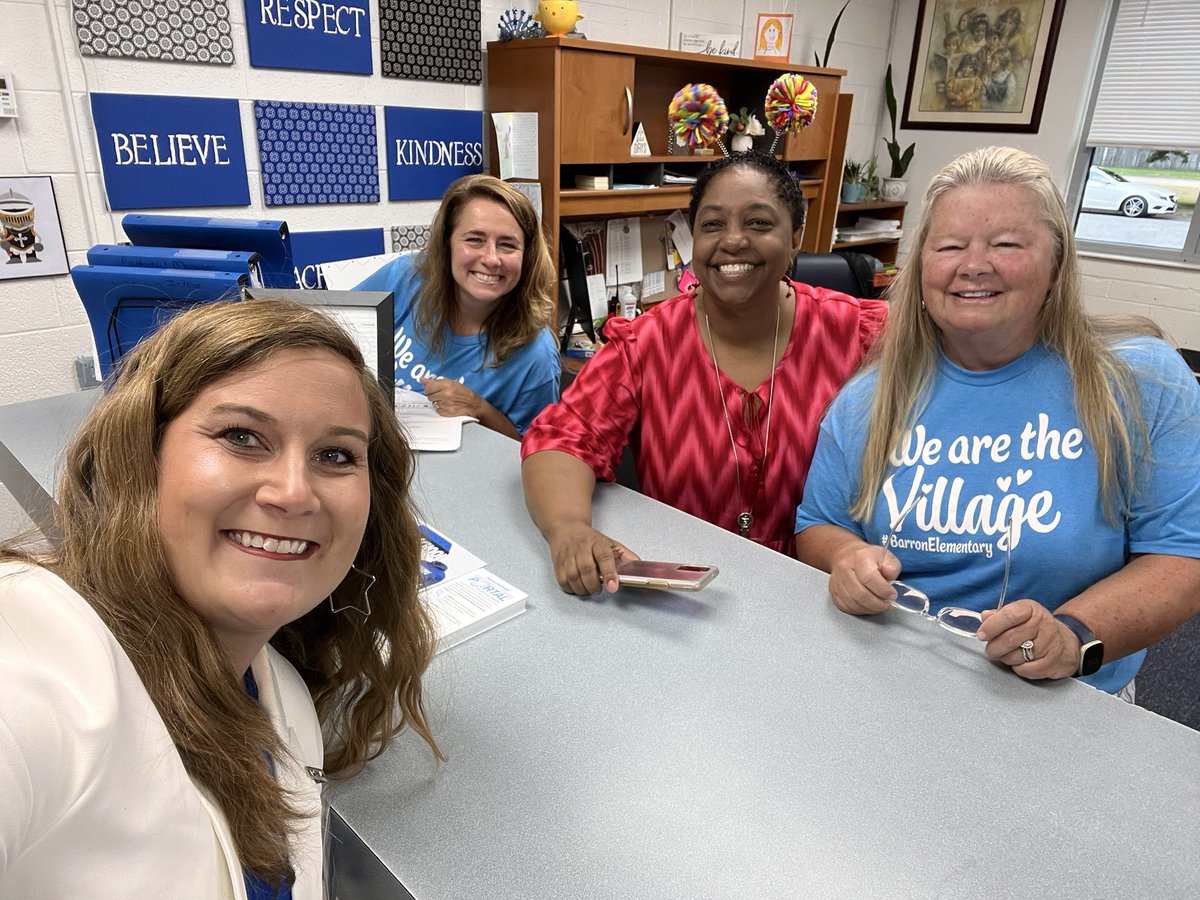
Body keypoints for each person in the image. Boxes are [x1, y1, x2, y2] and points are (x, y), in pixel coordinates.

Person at [0, 298, 441, 896]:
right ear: (142, 456)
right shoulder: (35, 655)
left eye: (335, 455)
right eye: (242, 436)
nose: (294, 493)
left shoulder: (282, 695)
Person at [794, 146, 1200, 697]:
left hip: (1062, 693)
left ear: (1056, 264)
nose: (974, 265)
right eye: (950, 246)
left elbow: (1181, 558)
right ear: (922, 267)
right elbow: (819, 523)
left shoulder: (1141, 379)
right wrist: (846, 558)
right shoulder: (871, 396)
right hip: (889, 676)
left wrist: (1072, 635)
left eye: (1006, 244)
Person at [522, 152, 888, 595]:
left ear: (795, 237)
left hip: (822, 594)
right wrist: (569, 529)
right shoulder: (647, 344)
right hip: (685, 596)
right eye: (712, 224)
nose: (732, 241)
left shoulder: (860, 335)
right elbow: (563, 439)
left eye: (758, 223)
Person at [354, 174, 560, 438]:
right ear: (447, 243)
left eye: (508, 245)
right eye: (475, 239)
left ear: (527, 257)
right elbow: (335, 327)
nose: (491, 259)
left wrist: (480, 409)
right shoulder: (406, 275)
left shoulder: (537, 354)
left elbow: (537, 451)